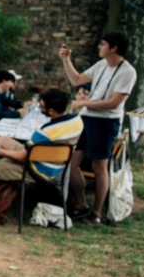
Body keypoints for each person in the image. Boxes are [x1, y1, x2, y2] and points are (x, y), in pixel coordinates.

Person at [0, 88, 84, 213]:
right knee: (2, 139)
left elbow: (22, 157)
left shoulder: (45, 132)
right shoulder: (77, 120)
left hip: (36, 170)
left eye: (42, 107)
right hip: (51, 162)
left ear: (51, 112)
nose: (40, 109)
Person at [59, 31, 137, 224]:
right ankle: (81, 204)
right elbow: (76, 80)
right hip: (88, 120)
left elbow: (114, 103)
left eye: (103, 44)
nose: (99, 47)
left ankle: (97, 213)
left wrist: (83, 104)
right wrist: (66, 60)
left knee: (99, 166)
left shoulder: (127, 72)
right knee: (73, 162)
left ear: (113, 48)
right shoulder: (102, 65)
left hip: (106, 122)